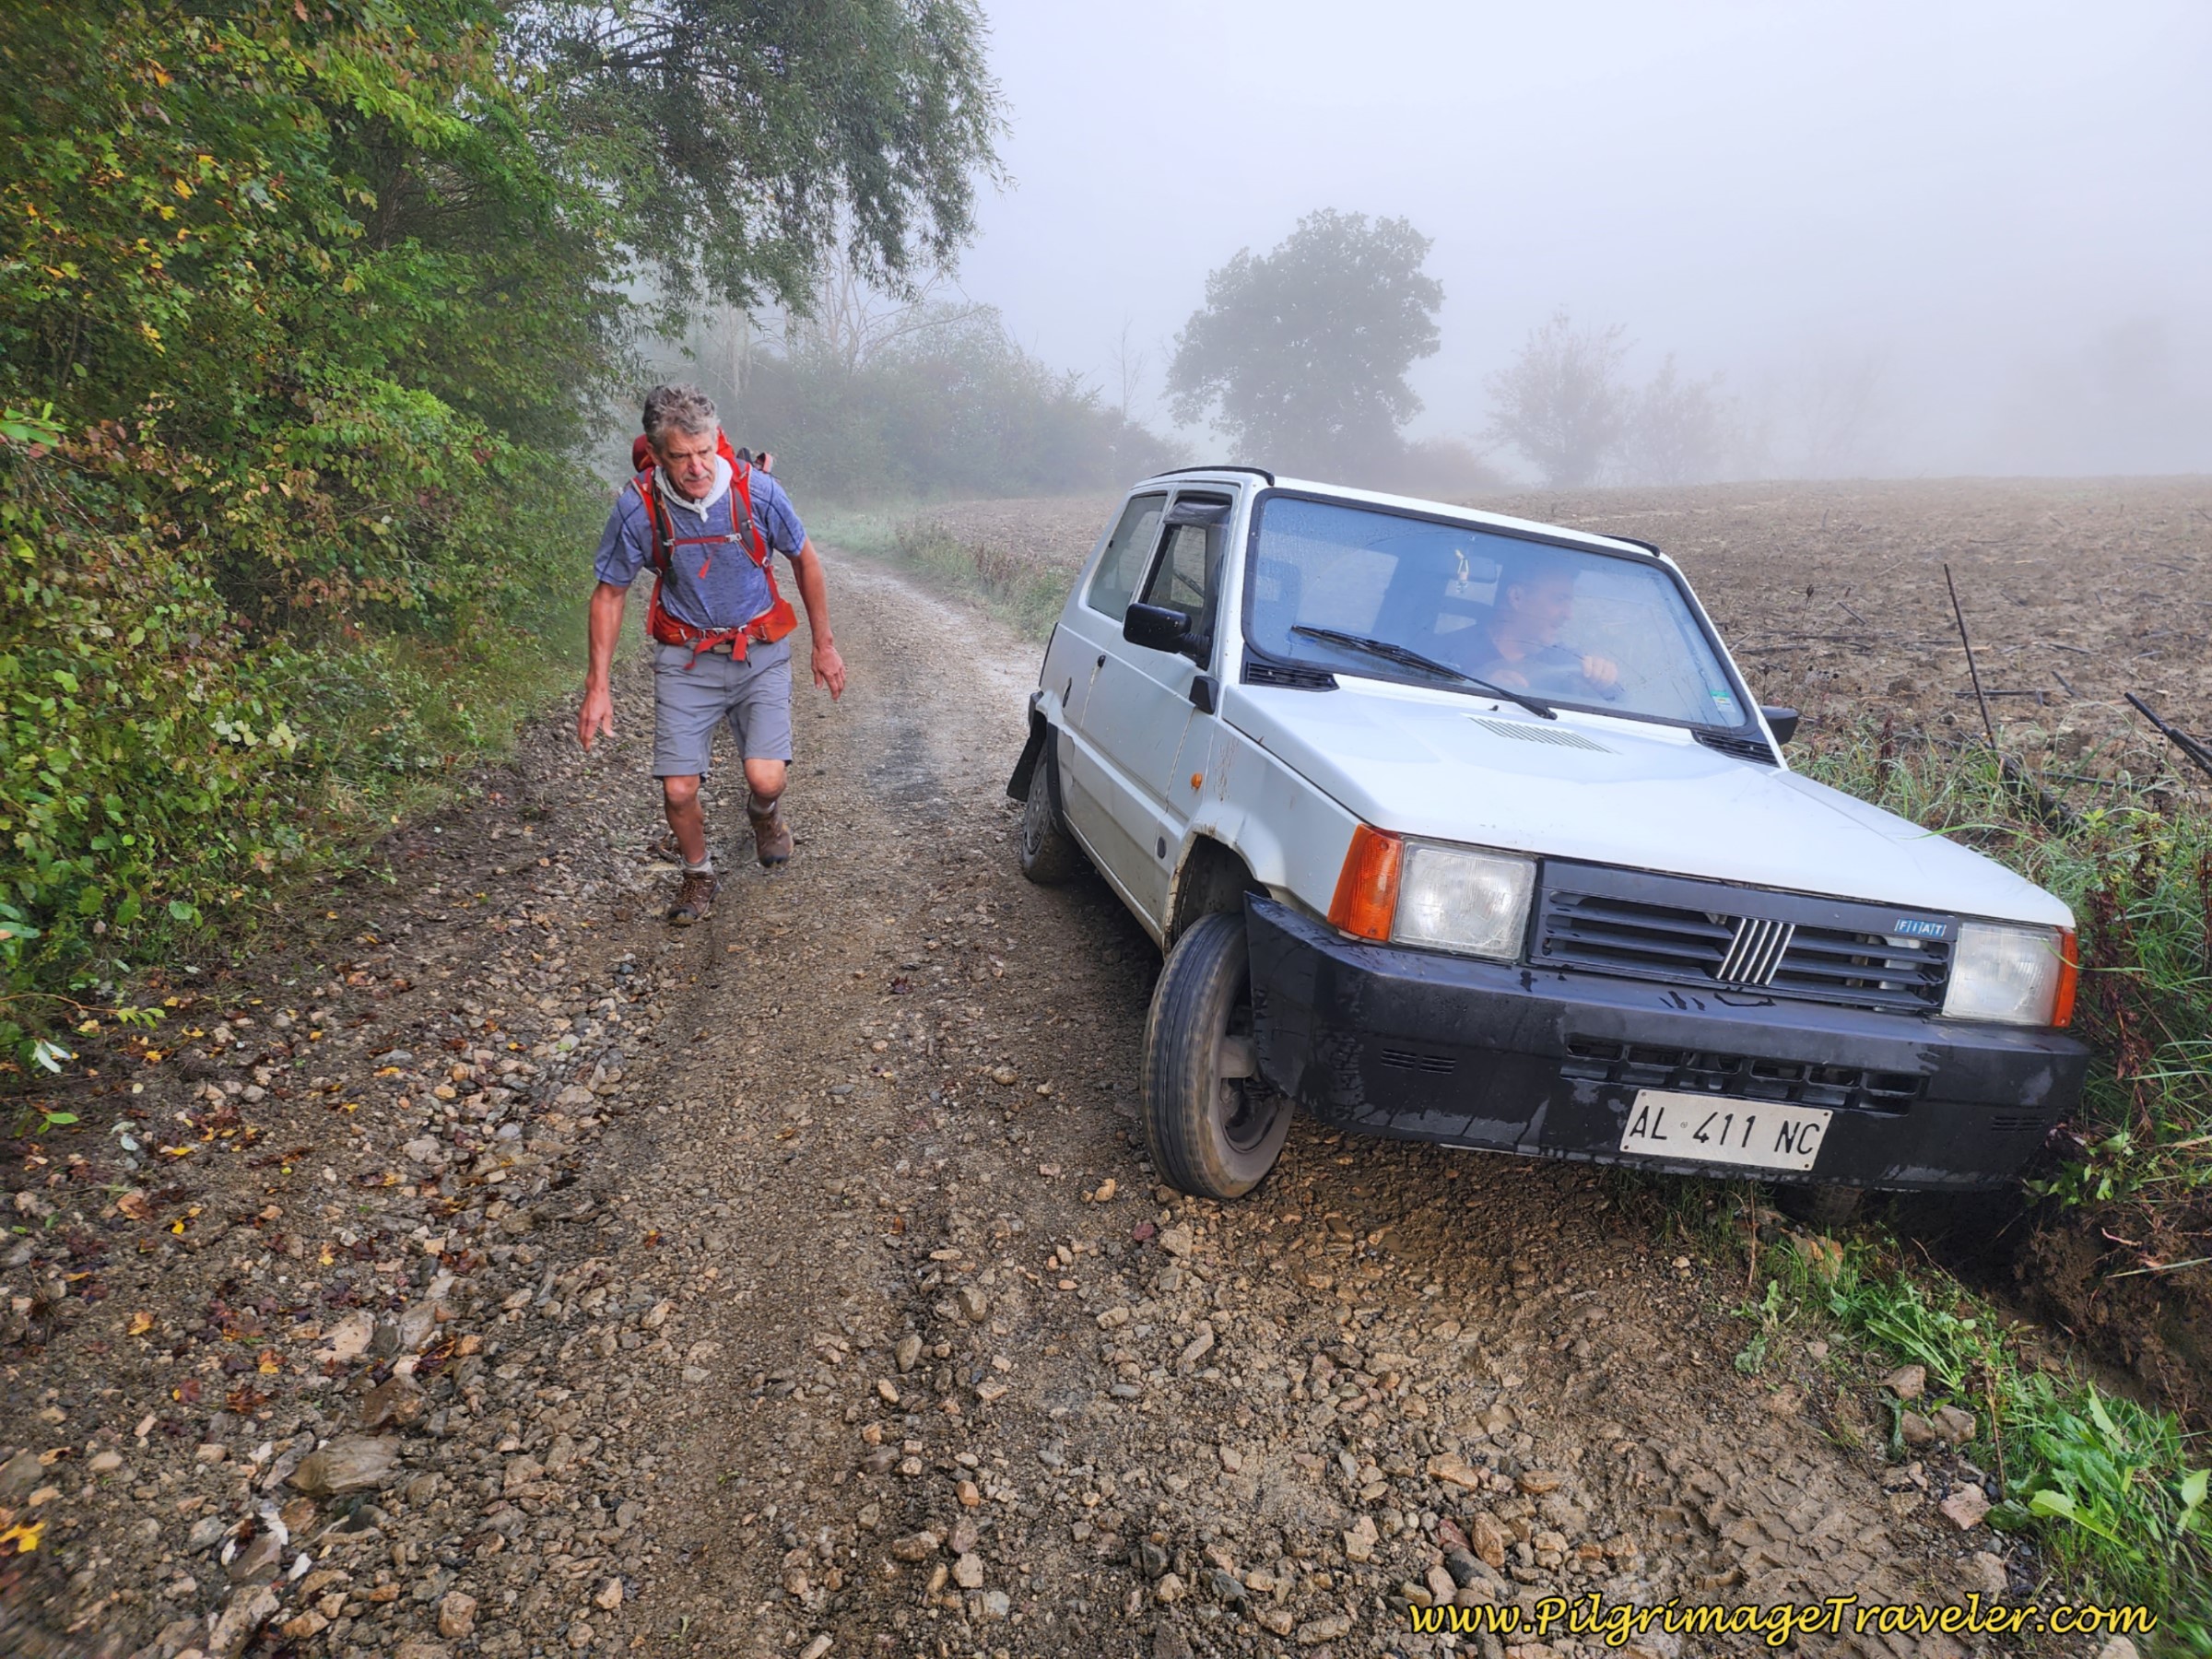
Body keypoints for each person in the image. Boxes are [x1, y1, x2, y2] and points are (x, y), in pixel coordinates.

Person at [577, 383, 847, 924]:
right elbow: (609, 594)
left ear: (715, 438)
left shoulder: (758, 492)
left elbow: (805, 560)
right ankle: (699, 873)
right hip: (686, 658)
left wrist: (824, 644)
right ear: (657, 455)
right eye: (681, 457)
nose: (697, 468)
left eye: (704, 451)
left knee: (767, 778)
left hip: (760, 650)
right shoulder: (638, 508)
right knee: (678, 790)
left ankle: (764, 814)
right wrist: (597, 686)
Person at [1447, 552, 1621, 701]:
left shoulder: (1568, 661)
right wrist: (1479, 689)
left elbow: (1620, 708)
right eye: (1559, 599)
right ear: (1516, 597)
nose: (1569, 615)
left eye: (1569, 602)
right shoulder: (1447, 655)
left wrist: (1603, 680)